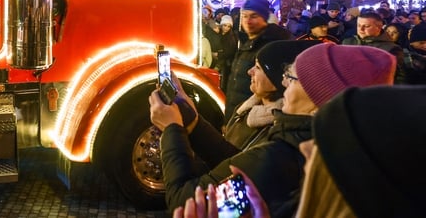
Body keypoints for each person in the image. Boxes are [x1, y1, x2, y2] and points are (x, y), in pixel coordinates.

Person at [150, 44, 396, 215]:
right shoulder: (328, 149)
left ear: (318, 102)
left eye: (293, 77)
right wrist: (194, 126)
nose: (284, 82)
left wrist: (172, 129)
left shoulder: (282, 158)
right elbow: (242, 166)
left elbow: (185, 203)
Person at [179, 85, 426, 218]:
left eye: (327, 141)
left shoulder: (280, 153)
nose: (307, 146)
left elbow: (182, 197)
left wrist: (173, 128)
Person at [223, 40, 320, 150]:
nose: (249, 71)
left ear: (276, 80)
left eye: (258, 67)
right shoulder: (244, 109)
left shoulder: (278, 129)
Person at [222, 0, 292, 121]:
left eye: (254, 16)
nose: (248, 21)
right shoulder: (246, 43)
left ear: (264, 18)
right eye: (244, 16)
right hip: (237, 118)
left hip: (254, 121)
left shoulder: (271, 46)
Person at [342, 11, 406, 84]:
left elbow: (397, 77)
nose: (361, 29)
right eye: (358, 25)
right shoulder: (347, 42)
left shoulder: (391, 49)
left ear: (378, 27)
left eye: (366, 26)